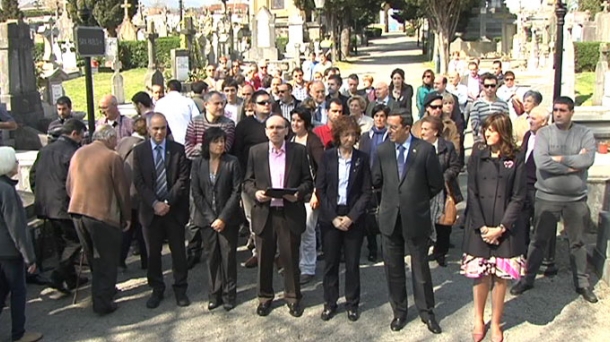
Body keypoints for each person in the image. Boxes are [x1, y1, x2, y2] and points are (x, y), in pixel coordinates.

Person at [511, 97, 599, 304]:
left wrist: (558, 158)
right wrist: (571, 165)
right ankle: (528, 278)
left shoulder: (584, 133)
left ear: (571, 112)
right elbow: (542, 163)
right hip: (547, 196)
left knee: (577, 242)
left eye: (563, 110)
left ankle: (582, 283)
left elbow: (588, 160)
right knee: (538, 239)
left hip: (575, 198)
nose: (558, 114)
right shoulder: (544, 134)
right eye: (556, 110)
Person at [371, 109, 444, 334]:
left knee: (420, 266)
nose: (388, 130)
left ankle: (426, 311)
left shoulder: (424, 150)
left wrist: (416, 200)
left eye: (393, 127)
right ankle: (399, 311)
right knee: (393, 267)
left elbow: (436, 184)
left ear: (406, 128)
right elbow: (377, 181)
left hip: (416, 217)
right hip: (390, 218)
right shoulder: (383, 150)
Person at [462, 113, 526, 342]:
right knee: (480, 276)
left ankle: (497, 322)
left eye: (492, 129)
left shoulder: (516, 158)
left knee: (500, 278)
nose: (487, 133)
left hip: (505, 227)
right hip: (480, 225)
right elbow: (472, 192)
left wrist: (502, 227)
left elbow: (519, 196)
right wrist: (481, 227)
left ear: (503, 131)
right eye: (485, 129)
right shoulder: (478, 155)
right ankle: (479, 319)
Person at [243, 115, 314, 318]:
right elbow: (247, 180)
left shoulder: (298, 151)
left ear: (286, 130)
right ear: (266, 131)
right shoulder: (255, 152)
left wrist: (298, 193)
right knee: (264, 258)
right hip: (264, 213)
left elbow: (308, 181)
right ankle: (265, 297)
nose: (275, 131)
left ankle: (293, 297)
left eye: (279, 127)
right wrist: (255, 193)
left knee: (290, 258)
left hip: (288, 212)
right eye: (271, 127)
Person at [67, 125, 131, 315]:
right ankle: (103, 302)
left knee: (93, 256)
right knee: (107, 258)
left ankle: (103, 291)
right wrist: (127, 216)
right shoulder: (112, 157)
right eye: (115, 140)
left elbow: (69, 185)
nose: (117, 143)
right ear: (110, 139)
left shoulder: (78, 153)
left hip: (77, 211)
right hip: (102, 214)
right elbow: (122, 190)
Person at [133, 113, 191, 309]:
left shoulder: (178, 150)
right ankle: (157, 289)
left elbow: (183, 180)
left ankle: (180, 289)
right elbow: (139, 182)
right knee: (153, 254)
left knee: (178, 252)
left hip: (173, 211)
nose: (160, 132)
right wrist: (155, 203)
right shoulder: (139, 151)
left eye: (163, 128)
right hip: (151, 212)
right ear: (148, 130)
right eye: (156, 128)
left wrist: (166, 202)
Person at [316, 116, 371, 322]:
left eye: (353, 134)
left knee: (352, 263)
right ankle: (330, 303)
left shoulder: (362, 158)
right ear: (338, 136)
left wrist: (351, 217)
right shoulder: (327, 157)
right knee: (330, 263)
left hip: (353, 215)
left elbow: (366, 192)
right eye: (346, 134)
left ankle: (352, 303)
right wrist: (333, 218)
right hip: (331, 214)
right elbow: (320, 188)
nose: (350, 138)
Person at [30, 119, 87, 294]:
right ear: (75, 134)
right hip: (63, 204)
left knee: (61, 242)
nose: (82, 140)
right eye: (81, 136)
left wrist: (40, 195)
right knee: (75, 241)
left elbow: (33, 175)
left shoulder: (45, 150)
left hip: (46, 204)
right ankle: (59, 274)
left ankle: (69, 277)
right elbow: (77, 181)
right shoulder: (73, 152)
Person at [191, 127, 243, 311]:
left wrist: (222, 218)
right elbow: (196, 193)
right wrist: (211, 217)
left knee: (228, 256)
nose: (220, 144)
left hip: (228, 219)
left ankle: (230, 294)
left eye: (222, 140)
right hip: (206, 219)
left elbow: (237, 191)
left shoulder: (232, 162)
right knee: (211, 257)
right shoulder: (198, 163)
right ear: (207, 143)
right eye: (216, 141)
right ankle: (214, 293)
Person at [0, 146, 43, 342]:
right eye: (15, 162)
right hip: (9, 250)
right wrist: (29, 257)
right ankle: (19, 333)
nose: (18, 165)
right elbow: (16, 226)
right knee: (18, 291)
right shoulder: (7, 190)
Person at [232, 90, 273, 268]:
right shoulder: (243, 126)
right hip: (250, 179)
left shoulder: (277, 123)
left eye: (269, 102)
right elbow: (237, 152)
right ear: (253, 106)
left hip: (274, 178)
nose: (267, 105)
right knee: (253, 217)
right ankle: (258, 252)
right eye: (262, 102)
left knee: (274, 218)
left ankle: (275, 253)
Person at [418, 116, 462, 267]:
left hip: (443, 190)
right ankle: (424, 249)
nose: (422, 132)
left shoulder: (447, 146)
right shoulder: (418, 146)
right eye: (422, 129)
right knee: (424, 221)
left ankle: (440, 252)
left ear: (435, 132)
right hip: (424, 190)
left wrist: (442, 177)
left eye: (426, 129)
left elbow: (455, 166)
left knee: (443, 224)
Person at [289, 107, 324, 284]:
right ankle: (298, 264)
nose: (295, 124)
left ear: (306, 122)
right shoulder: (291, 139)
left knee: (307, 231)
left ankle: (308, 268)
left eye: (299, 121)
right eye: (293, 120)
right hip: (294, 193)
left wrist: (317, 193)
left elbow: (322, 169)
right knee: (295, 230)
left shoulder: (313, 141)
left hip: (311, 194)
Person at [116, 117, 149, 270]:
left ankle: (120, 259)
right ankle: (146, 260)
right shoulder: (144, 146)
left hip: (124, 190)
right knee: (143, 227)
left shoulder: (123, 142)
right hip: (138, 192)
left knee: (128, 227)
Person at [515, 107, 550, 252]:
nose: (529, 121)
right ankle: (522, 251)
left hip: (539, 185)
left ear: (544, 122)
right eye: (529, 117)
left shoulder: (549, 138)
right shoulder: (528, 135)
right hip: (524, 183)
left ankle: (538, 254)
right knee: (522, 220)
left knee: (538, 222)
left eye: (534, 119)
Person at [358, 104, 389, 261]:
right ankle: (372, 248)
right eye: (377, 116)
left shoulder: (391, 136)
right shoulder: (366, 136)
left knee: (385, 216)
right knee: (370, 217)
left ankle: (387, 248)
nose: (379, 119)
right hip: (368, 180)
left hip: (385, 182)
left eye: (382, 116)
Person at [184, 91, 235, 160]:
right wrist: (212, 148)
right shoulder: (195, 122)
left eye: (222, 103)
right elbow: (189, 152)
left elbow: (224, 149)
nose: (220, 107)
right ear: (206, 105)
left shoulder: (228, 124)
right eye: (216, 104)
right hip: (198, 166)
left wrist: (199, 146)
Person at [154, 79, 200, 145]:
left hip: (167, 139)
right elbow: (196, 119)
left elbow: (155, 120)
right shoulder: (188, 102)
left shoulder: (160, 103)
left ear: (168, 89)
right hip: (186, 139)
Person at [469, 74, 509, 143]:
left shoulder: (503, 104)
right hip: (481, 141)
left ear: (497, 86)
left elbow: (505, 124)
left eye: (492, 86)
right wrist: (487, 134)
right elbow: (475, 124)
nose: (489, 88)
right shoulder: (476, 104)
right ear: (482, 87)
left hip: (499, 141)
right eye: (486, 86)